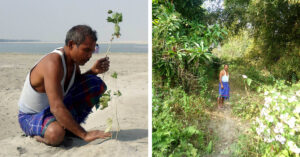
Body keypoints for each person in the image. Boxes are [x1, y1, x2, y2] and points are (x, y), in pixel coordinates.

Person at [18, 25, 112, 146]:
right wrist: (84, 134)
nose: (90, 56)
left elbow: (74, 86)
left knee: (95, 84)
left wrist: (93, 71)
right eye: (86, 50)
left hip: (52, 112)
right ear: (71, 44)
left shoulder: (73, 63)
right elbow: (56, 107)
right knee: (56, 134)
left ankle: (68, 128)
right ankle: (42, 136)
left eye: (92, 50)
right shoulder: (53, 62)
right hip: (31, 116)